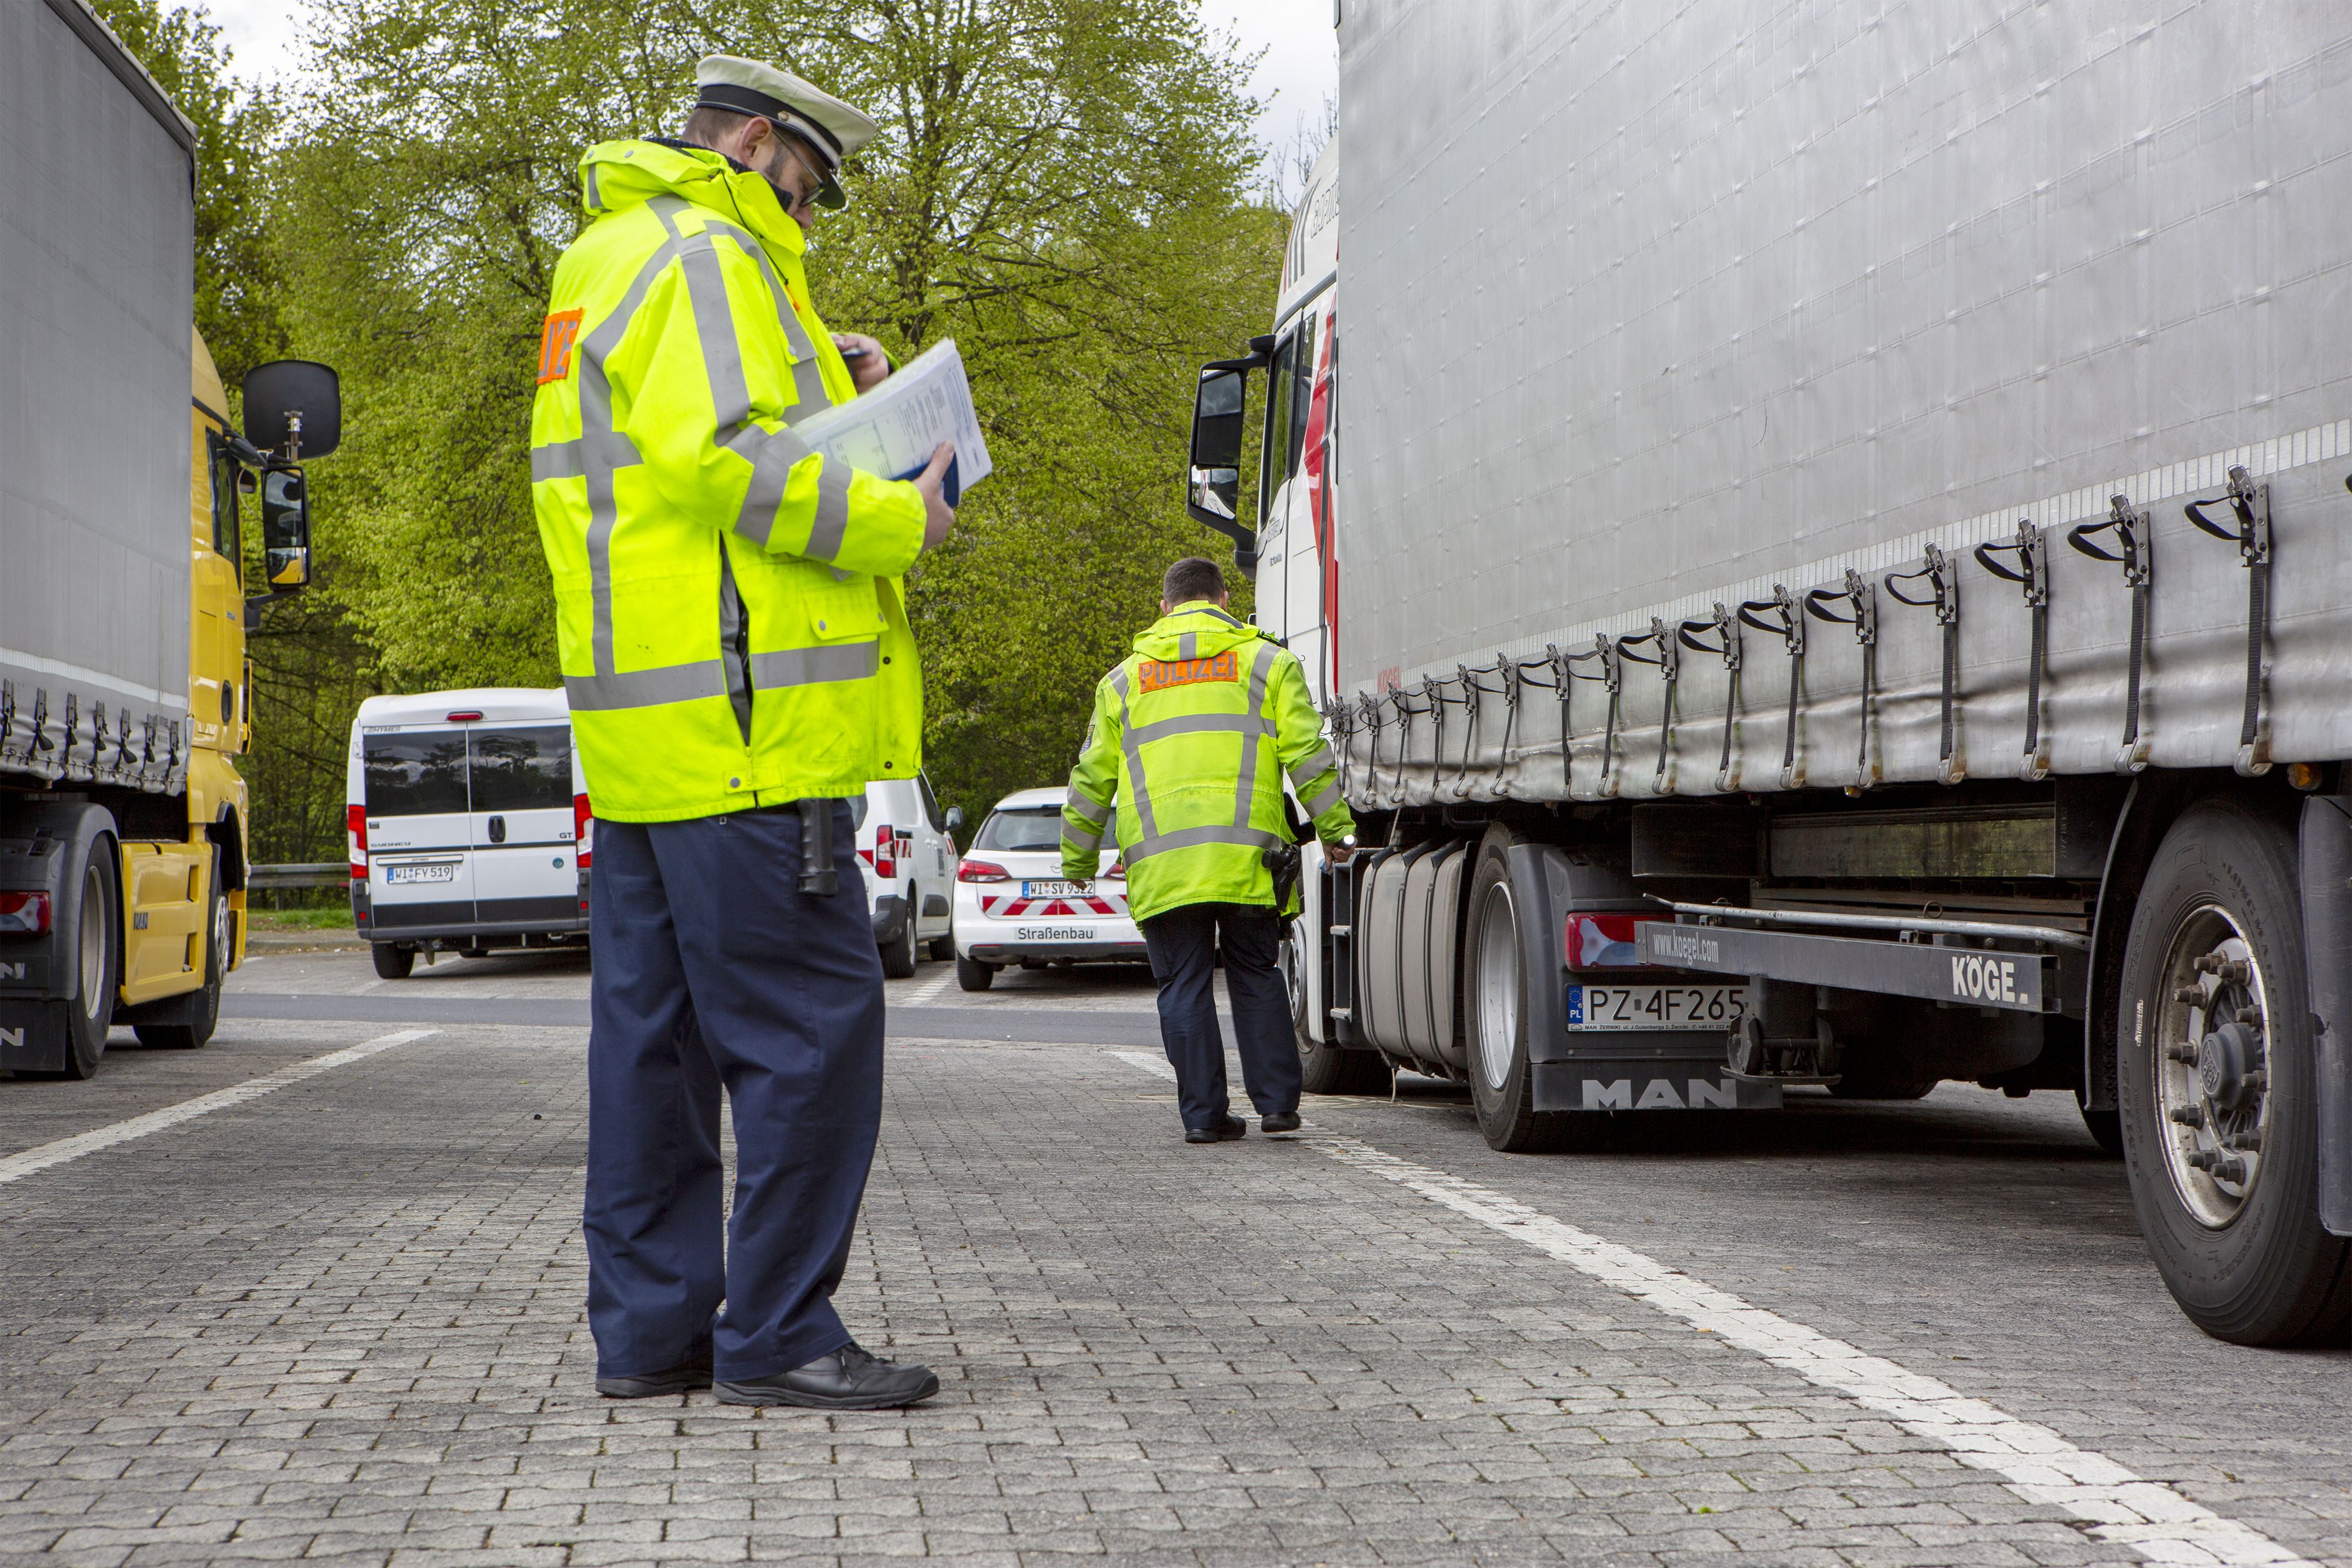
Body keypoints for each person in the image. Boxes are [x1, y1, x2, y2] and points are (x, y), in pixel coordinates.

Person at [529, 54, 953, 1409]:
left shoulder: (608, 254)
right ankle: (777, 1335)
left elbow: (666, 471)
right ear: (759, 143)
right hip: (749, 735)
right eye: (812, 187)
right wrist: (903, 517)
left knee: (652, 1055)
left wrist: (837, 374)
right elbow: (730, 461)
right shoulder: (712, 253)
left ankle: (654, 1337)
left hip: (649, 739)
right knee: (810, 1036)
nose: (813, 219)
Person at [1060, 557, 1357, 1143]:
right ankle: (1277, 1106)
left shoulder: (1122, 682)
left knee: (1184, 985)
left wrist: (1076, 858)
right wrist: (1336, 832)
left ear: (1164, 607)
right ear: (1223, 598)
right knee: (1255, 972)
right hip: (1249, 858)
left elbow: (1091, 780)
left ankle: (1202, 1117)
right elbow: (1308, 756)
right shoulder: (1267, 662)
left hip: (1163, 863)